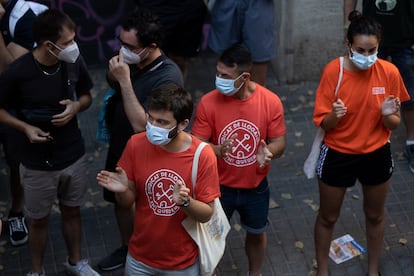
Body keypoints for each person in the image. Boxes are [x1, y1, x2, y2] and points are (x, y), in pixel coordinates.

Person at [0, 9, 99, 276]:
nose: (73, 47)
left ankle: (75, 262)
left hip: (73, 155)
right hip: (36, 163)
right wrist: (25, 128)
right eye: (67, 42)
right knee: (39, 221)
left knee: (73, 212)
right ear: (48, 45)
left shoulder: (73, 62)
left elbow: (87, 96)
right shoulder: (18, 72)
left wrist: (77, 107)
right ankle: (36, 271)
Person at [313, 11, 409, 276]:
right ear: (348, 45)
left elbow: (394, 125)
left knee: (375, 215)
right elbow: (323, 123)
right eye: (360, 50)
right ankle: (322, 270)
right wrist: (334, 115)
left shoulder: (389, 72)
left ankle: (373, 270)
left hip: (376, 154)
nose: (367, 56)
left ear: (379, 46)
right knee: (328, 217)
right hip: (337, 154)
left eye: (372, 50)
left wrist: (388, 114)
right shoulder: (334, 71)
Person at [97, 83, 220, 274]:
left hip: (182, 263)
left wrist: (185, 202)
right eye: (150, 118)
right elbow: (127, 202)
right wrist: (123, 191)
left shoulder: (202, 155)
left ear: (183, 124)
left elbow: (206, 214)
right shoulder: (136, 144)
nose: (153, 127)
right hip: (139, 259)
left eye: (162, 122)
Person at [97, 8, 183, 271]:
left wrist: (124, 80)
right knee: (119, 199)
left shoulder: (168, 77)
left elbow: (141, 125)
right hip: (122, 146)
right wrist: (116, 76)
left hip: (150, 153)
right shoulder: (132, 61)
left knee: (144, 206)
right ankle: (128, 248)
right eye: (120, 42)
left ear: (150, 47)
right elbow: (111, 81)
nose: (123, 50)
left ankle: (147, 256)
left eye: (129, 46)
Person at [191, 44, 287, 276]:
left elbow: (279, 142)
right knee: (211, 238)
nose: (219, 79)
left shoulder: (270, 101)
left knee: (256, 232)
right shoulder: (208, 102)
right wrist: (215, 149)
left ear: (244, 77)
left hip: (255, 188)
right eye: (218, 73)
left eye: (225, 75)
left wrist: (270, 151)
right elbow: (195, 145)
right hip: (216, 189)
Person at [344, 0, 414, 173]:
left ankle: (412, 142)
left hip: (407, 38)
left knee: (411, 93)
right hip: (370, 39)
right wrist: (348, 26)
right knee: (366, 90)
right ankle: (366, 139)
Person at [0, 0, 39, 247]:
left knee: (16, 162)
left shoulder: (24, 15)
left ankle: (16, 212)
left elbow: (7, 69)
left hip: (11, 105)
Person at [133, 0, 207, 81]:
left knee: (179, 60)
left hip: (188, 10)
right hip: (153, 8)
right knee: (146, 57)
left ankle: (176, 91)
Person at [208, 0, 276, 86]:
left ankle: (256, 98)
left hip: (259, 4)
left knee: (258, 60)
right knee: (226, 64)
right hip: (226, 4)